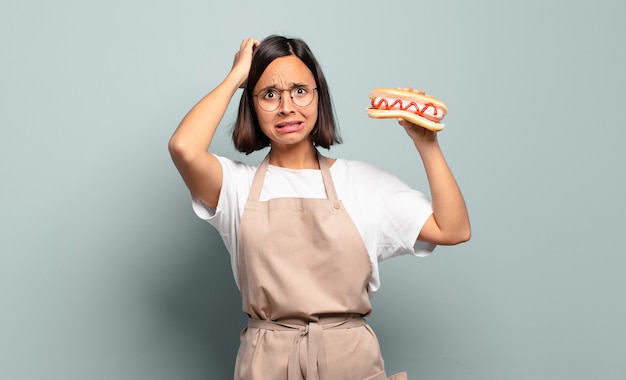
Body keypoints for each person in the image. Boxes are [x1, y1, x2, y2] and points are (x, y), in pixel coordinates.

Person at [168, 35, 470, 380]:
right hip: (267, 362)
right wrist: (237, 76)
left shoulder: (365, 183)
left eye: (300, 90)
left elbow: (454, 229)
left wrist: (427, 143)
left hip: (350, 359)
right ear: (251, 105)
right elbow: (184, 148)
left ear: (318, 97)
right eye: (269, 94)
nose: (286, 107)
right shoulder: (235, 187)